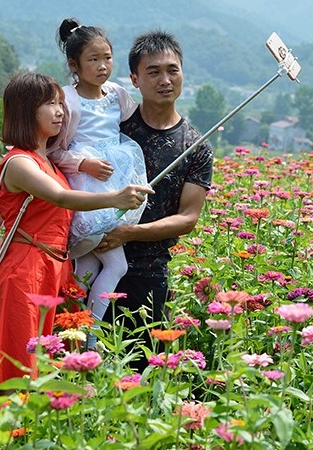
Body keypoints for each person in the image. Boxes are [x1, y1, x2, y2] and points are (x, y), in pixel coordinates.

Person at [0, 72, 152, 394]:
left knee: (52, 365)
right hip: (27, 269)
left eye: (60, 103)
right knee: (19, 366)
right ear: (26, 111)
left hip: (56, 268)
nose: (60, 111)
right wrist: (115, 198)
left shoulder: (50, 161)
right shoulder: (19, 162)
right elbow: (61, 197)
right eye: (50, 104)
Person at [95, 30, 213, 371]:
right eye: (153, 72)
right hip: (90, 260)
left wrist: (129, 233)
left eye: (172, 70)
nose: (165, 80)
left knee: (138, 375)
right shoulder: (115, 128)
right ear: (134, 79)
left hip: (148, 274)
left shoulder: (195, 147)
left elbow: (188, 218)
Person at [49, 18, 147, 325]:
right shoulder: (69, 99)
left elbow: (136, 118)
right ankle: (89, 332)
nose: (103, 66)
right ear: (74, 65)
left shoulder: (116, 93)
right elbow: (54, 151)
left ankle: (70, 329)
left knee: (88, 268)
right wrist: (83, 164)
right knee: (116, 266)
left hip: (113, 181)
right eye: (93, 59)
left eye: (107, 57)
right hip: (86, 188)